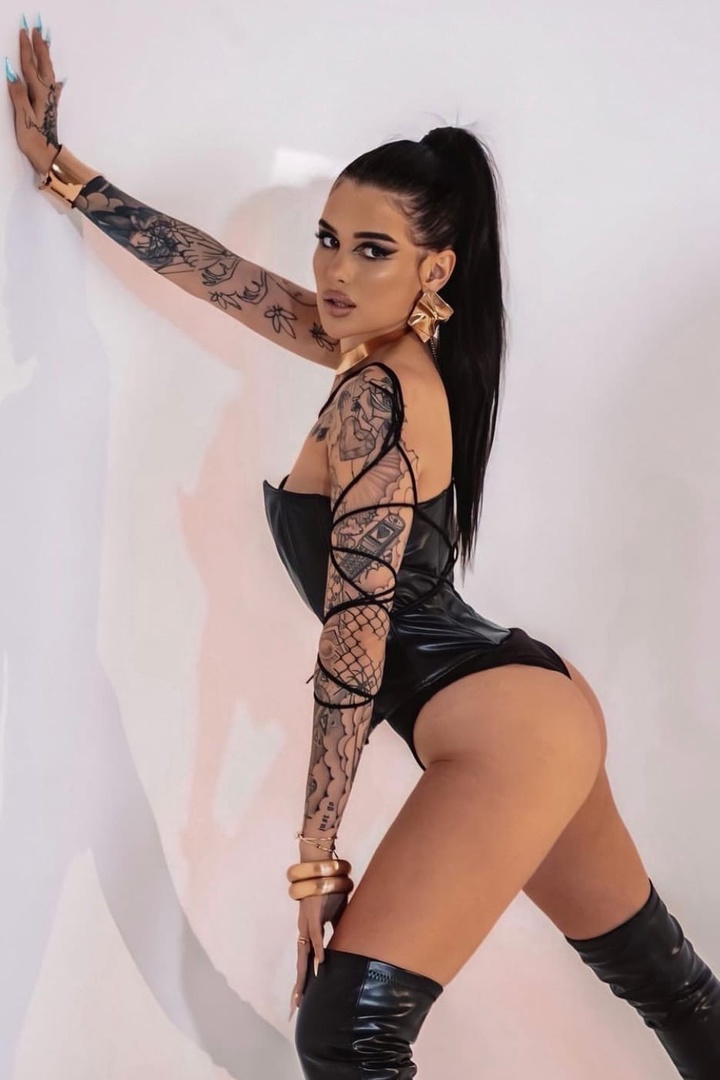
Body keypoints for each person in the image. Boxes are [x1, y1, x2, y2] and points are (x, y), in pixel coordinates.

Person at [6, 21, 720, 1079]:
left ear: (437, 266)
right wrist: (66, 176)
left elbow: (353, 651)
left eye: (372, 250)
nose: (336, 270)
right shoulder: (377, 354)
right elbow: (221, 276)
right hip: (528, 709)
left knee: (348, 1037)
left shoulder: (376, 401)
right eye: (328, 238)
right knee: (670, 986)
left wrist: (315, 864)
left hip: (506, 734)